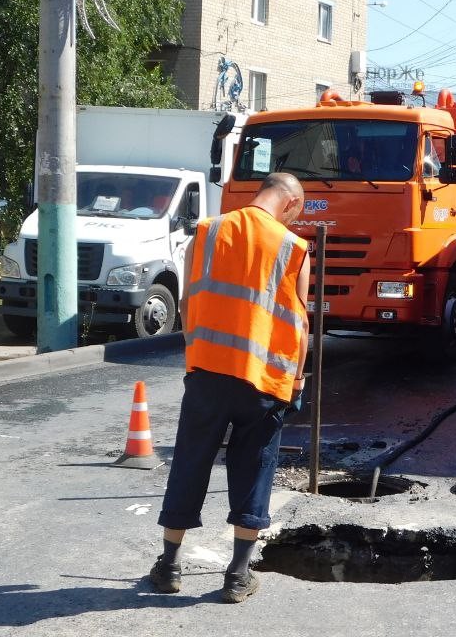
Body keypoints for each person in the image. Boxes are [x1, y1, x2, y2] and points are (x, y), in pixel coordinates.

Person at [148, 172, 310, 603]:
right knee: (254, 468)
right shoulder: (294, 247)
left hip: (207, 372)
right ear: (291, 205)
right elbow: (300, 324)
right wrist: (295, 381)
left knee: (190, 462)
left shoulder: (207, 231)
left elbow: (185, 304)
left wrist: (196, 357)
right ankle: (238, 576)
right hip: (263, 380)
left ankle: (168, 566)